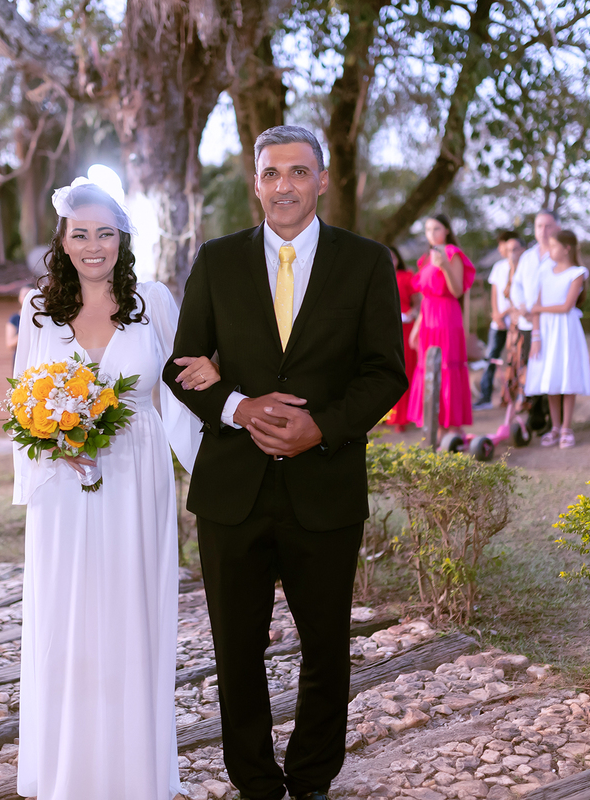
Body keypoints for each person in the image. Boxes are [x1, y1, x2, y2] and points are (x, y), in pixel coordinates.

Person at [164, 125, 407, 800]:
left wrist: (319, 427)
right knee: (236, 649)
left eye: (299, 172)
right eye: (271, 173)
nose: (284, 186)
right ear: (256, 184)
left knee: (325, 646)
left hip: (324, 484)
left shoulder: (366, 262)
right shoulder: (217, 261)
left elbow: (385, 372)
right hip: (231, 490)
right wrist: (238, 406)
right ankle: (255, 783)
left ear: (322, 180)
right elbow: (182, 365)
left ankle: (311, 779)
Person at [11, 179, 219, 800]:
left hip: (136, 471)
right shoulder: (39, 309)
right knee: (66, 612)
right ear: (63, 241)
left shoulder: (152, 300)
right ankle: (69, 771)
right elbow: (23, 396)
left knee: (131, 608)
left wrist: (212, 459)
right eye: (80, 234)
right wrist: (51, 444)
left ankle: (134, 772)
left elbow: (183, 385)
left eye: (105, 233)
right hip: (63, 483)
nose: (93, 245)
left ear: (123, 239)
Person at [406, 214, 476, 437]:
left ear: (446, 230)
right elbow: (424, 297)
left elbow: (457, 291)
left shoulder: (452, 253)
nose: (431, 233)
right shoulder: (426, 258)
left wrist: (445, 266)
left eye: (436, 228)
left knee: (447, 367)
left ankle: (454, 427)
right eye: (428, 229)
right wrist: (416, 327)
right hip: (428, 319)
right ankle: (436, 426)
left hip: (447, 318)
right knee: (429, 369)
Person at [525, 230, 590, 448]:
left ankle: (566, 428)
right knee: (551, 379)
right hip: (546, 331)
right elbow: (536, 305)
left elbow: (566, 306)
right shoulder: (545, 271)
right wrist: (536, 336)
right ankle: (554, 427)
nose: (550, 250)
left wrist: (539, 309)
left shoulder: (577, 273)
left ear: (566, 248)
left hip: (565, 330)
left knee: (567, 377)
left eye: (554, 246)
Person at [511, 209, 561, 434]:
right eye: (539, 226)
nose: (544, 231)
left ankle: (554, 417)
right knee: (531, 370)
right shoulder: (528, 257)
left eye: (548, 226)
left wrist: (540, 311)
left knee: (552, 370)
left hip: (551, 323)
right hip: (527, 323)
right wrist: (522, 307)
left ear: (557, 227)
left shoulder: (560, 255)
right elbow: (517, 285)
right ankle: (536, 415)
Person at [477, 231, 524, 408]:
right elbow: (495, 292)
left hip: (516, 321)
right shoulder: (499, 267)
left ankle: (516, 396)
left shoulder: (523, 267)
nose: (501, 249)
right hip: (499, 322)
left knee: (516, 359)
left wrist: (506, 313)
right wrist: (496, 314)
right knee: (491, 357)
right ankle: (485, 396)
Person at [387, 244, 419, 430]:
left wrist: (410, 315)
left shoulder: (407, 276)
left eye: (393, 257)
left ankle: (403, 417)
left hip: (405, 327)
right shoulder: (375, 275)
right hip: (384, 328)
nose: (391, 261)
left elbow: (417, 304)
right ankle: (386, 415)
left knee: (405, 369)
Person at [5, 285, 34, 356]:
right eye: (25, 295)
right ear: (19, 298)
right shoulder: (14, 319)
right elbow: (9, 344)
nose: (27, 298)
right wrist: (25, 331)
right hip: (20, 358)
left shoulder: (41, 318)